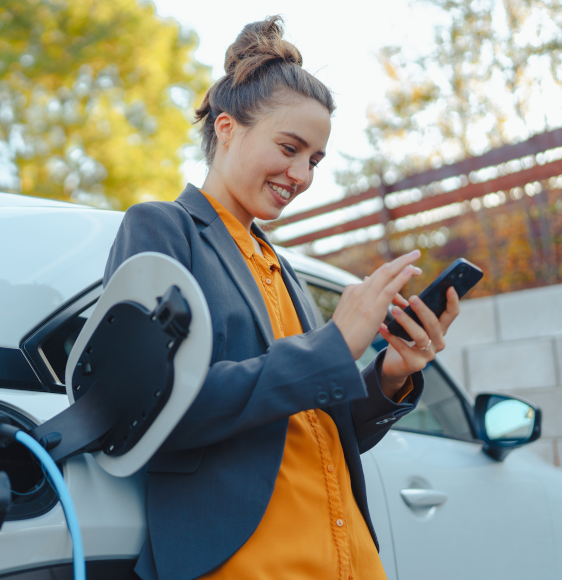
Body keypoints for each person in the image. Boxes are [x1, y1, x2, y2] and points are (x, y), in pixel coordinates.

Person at [104, 16, 460, 580]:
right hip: (249, 560)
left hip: (348, 556)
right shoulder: (161, 229)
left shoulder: (282, 267)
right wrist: (335, 344)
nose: (301, 174)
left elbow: (318, 427)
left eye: (315, 160)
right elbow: (152, 408)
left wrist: (390, 374)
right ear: (226, 128)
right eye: (290, 147)